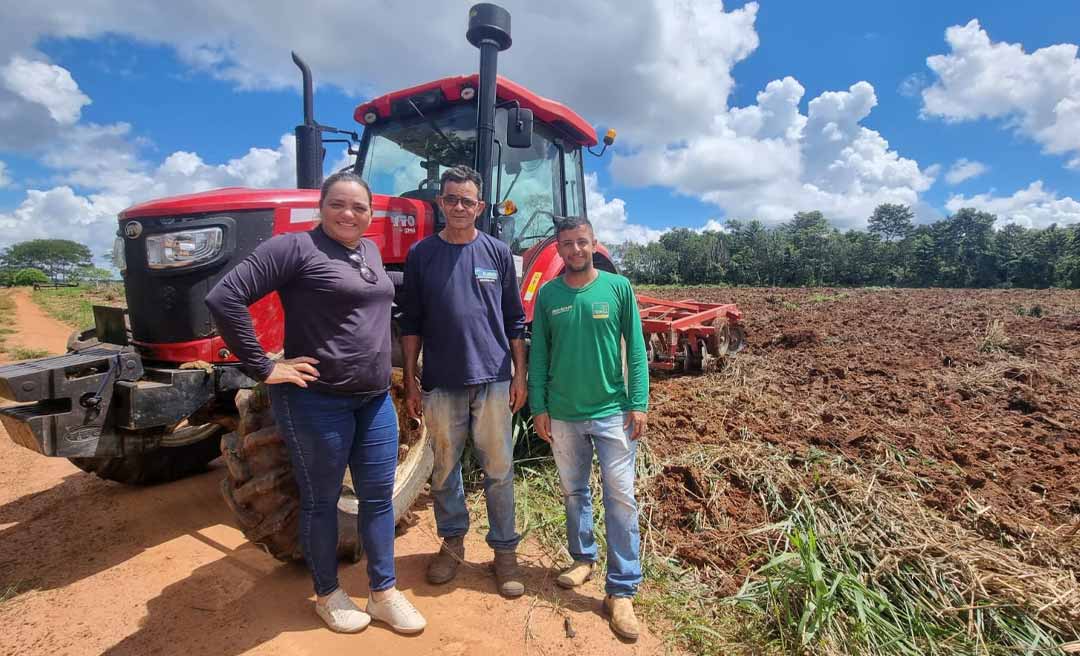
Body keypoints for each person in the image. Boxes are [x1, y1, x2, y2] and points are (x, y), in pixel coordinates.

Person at [205, 171, 426, 635]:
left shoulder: (366, 250)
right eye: (339, 205)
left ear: (370, 214)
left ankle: (383, 593)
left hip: (373, 401)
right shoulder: (293, 248)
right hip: (316, 403)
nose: (349, 214)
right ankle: (328, 594)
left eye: (359, 207)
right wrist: (264, 367)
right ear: (320, 207)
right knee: (323, 502)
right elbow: (225, 297)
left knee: (378, 500)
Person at [399, 165, 528, 598]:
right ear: (441, 203)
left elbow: (514, 319)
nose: (459, 207)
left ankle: (504, 551)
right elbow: (411, 321)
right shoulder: (422, 255)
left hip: (492, 378)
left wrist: (519, 374)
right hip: (441, 381)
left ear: (479, 207)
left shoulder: (497, 253)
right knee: (444, 470)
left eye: (467, 201)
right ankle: (452, 544)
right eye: (451, 198)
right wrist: (413, 382)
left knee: (498, 470)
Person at [528, 216, 649, 641]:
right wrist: (538, 405)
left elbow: (635, 348)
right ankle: (583, 559)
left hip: (612, 412)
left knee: (621, 498)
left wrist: (639, 402)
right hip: (562, 413)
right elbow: (539, 354)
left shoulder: (618, 288)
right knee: (573, 491)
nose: (575, 250)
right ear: (558, 249)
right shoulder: (547, 295)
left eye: (582, 242)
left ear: (594, 244)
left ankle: (622, 589)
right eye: (567, 244)